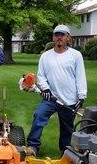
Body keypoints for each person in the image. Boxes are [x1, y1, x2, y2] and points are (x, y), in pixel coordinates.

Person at [26, 24, 87, 155]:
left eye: (62, 35)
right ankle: (33, 146)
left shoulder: (76, 55)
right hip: (50, 98)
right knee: (39, 116)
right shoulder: (45, 56)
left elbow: (80, 76)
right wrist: (46, 90)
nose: (59, 37)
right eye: (56, 35)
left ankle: (65, 150)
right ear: (53, 37)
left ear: (68, 37)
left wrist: (81, 96)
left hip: (69, 99)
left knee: (67, 128)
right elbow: (41, 76)